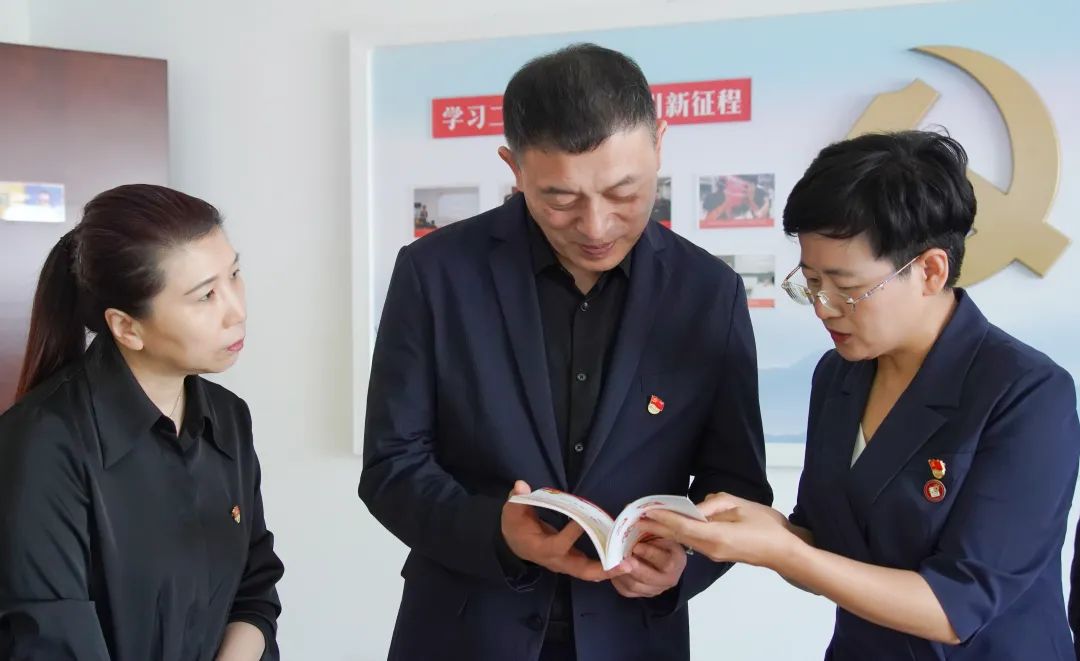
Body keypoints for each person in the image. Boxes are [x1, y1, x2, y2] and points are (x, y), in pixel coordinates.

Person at [359, 43, 772, 661]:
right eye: (560, 199)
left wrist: (683, 563)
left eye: (624, 191)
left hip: (633, 636)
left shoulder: (708, 292)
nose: (597, 226)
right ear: (514, 167)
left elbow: (737, 483)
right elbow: (392, 464)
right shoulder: (436, 273)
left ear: (660, 144)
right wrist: (496, 531)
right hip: (464, 631)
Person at [640, 130, 1080, 660]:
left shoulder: (1027, 394)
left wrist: (784, 551)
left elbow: (956, 608)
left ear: (930, 270)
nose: (822, 307)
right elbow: (827, 548)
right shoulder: (838, 375)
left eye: (846, 289)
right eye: (810, 282)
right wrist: (761, 530)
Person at [0, 184, 284, 661]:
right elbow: (50, 640)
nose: (236, 310)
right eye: (205, 295)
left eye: (234, 275)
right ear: (127, 327)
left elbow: (254, 589)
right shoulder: (42, 444)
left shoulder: (228, 417)